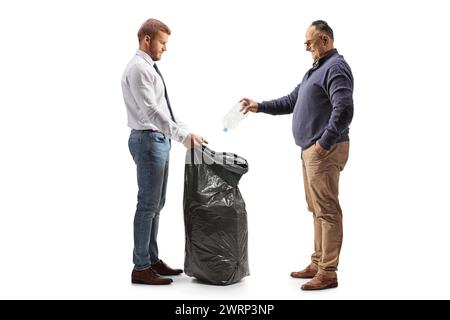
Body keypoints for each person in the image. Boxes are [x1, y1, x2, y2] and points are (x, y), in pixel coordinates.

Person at [241, 20, 353, 290]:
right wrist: (259, 106)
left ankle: (328, 272)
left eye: (309, 42)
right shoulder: (313, 71)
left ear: (325, 41)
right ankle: (318, 262)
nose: (306, 48)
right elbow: (291, 101)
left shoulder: (336, 67)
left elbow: (345, 108)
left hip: (323, 150)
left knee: (327, 211)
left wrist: (324, 142)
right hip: (310, 151)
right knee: (316, 210)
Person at [121, 18, 206, 285]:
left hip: (158, 140)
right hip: (148, 141)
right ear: (147, 40)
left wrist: (186, 131)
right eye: (162, 42)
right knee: (147, 205)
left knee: (156, 205)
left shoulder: (150, 68)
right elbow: (151, 112)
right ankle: (141, 267)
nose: (165, 48)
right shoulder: (138, 69)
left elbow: (165, 110)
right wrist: (181, 137)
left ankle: (151, 259)